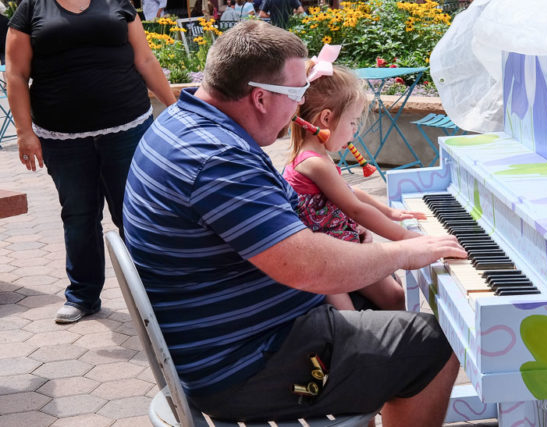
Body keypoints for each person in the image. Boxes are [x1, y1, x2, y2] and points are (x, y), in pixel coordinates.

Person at [123, 20, 465, 426]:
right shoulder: (216, 160)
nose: (299, 106)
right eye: (296, 93)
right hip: (244, 366)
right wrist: (402, 251)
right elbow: (309, 266)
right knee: (431, 345)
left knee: (381, 312)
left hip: (228, 338)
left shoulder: (184, 123)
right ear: (262, 98)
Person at [6, 0, 176, 324]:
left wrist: (173, 106)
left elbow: (145, 58)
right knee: (79, 215)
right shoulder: (31, 9)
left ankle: (154, 294)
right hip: (62, 136)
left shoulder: (117, 3)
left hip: (128, 128)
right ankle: (83, 295)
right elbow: (16, 73)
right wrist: (24, 132)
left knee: (134, 213)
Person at [283, 47, 427, 311]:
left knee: (393, 296)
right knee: (363, 314)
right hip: (327, 259)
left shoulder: (316, 157)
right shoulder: (314, 162)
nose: (354, 132)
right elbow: (355, 208)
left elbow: (352, 194)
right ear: (326, 118)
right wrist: (406, 240)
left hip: (337, 246)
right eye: (352, 123)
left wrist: (388, 212)